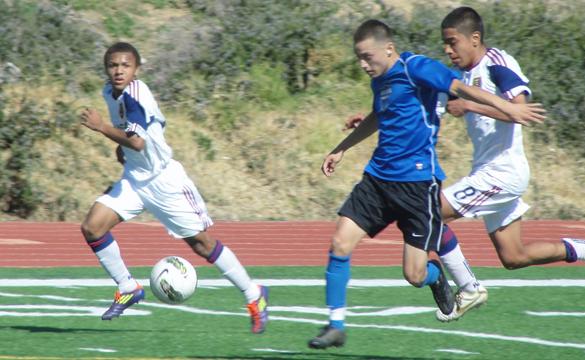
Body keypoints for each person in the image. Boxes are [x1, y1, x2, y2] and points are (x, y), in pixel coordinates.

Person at [308, 19, 546, 349]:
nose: (363, 64)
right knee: (340, 243)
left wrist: (507, 106)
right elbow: (380, 115)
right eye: (358, 58)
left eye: (367, 56)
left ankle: (438, 279)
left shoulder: (416, 66)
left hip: (417, 185)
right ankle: (335, 325)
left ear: (387, 49)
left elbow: (459, 88)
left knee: (414, 275)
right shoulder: (380, 81)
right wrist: (342, 148)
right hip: (377, 179)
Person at [433, 7, 585, 321]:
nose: (448, 50)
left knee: (430, 213)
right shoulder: (461, 76)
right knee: (513, 256)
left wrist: (470, 104)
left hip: (501, 174)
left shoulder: (498, 64)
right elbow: (433, 107)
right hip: (489, 172)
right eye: (445, 44)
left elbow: (520, 110)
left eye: (452, 42)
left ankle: (468, 287)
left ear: (474, 38)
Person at [79, 42, 269, 334]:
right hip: (135, 178)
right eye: (113, 65)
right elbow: (140, 134)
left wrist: (103, 127)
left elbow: (138, 140)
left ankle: (254, 295)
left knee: (202, 245)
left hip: (165, 181)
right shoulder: (109, 91)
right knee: (93, 227)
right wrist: (124, 148)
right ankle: (128, 286)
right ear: (106, 68)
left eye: (125, 65)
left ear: (136, 69)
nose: (118, 70)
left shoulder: (134, 94)